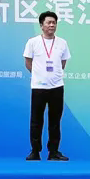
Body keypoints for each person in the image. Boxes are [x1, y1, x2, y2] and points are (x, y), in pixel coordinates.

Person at [23, 11, 71, 161]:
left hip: (57, 87)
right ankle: (35, 151)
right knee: (36, 121)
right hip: (38, 87)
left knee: (55, 121)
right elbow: (28, 62)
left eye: (54, 23)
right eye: (48, 22)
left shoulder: (62, 43)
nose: (51, 25)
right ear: (41, 25)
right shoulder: (33, 42)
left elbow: (63, 63)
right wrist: (39, 75)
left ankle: (53, 152)